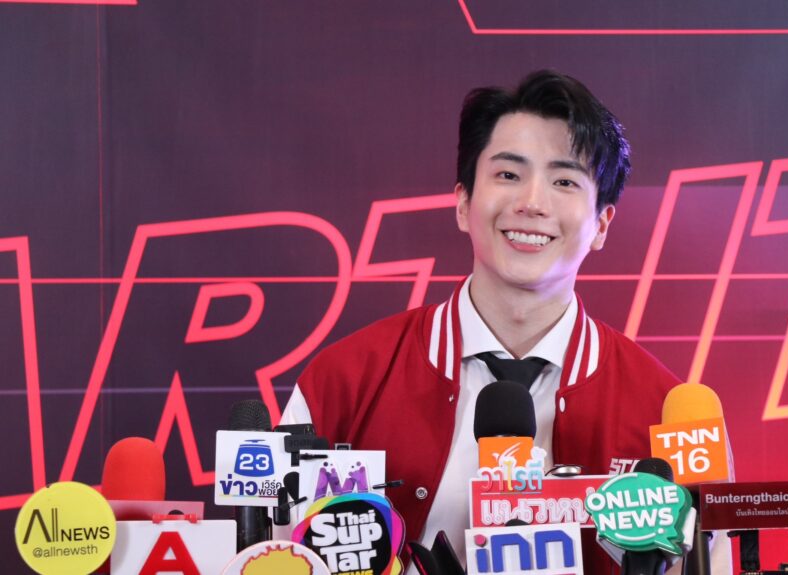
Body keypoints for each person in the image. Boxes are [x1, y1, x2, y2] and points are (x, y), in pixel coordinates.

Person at [281, 70, 732, 574]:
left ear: (602, 224)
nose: (532, 204)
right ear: (462, 203)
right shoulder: (343, 381)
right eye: (508, 175)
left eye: (564, 181)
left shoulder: (665, 412)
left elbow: (710, 561)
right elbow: (274, 555)